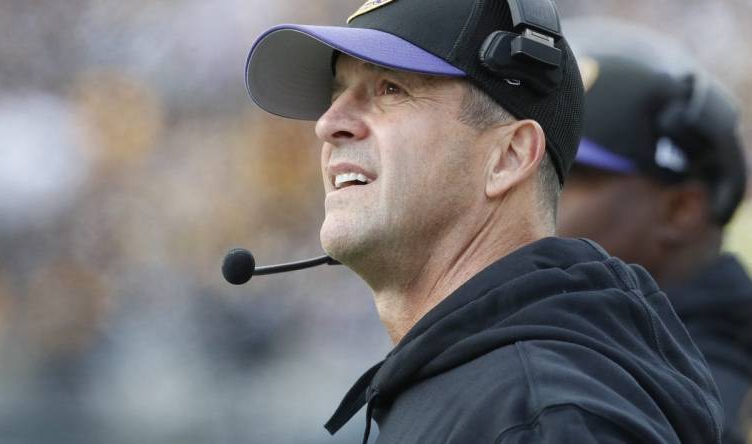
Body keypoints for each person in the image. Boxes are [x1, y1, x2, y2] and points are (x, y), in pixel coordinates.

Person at [242, 0, 722, 442]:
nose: (328, 123)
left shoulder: (543, 416)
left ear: (509, 158)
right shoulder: (490, 390)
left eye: (391, 88)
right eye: (338, 92)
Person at [557, 47, 752, 443]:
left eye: (574, 174)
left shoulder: (711, 394)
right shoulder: (603, 332)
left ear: (681, 210)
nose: (542, 189)